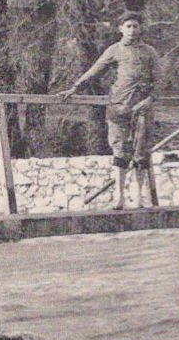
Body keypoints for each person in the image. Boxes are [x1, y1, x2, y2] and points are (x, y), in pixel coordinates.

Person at [62, 11, 161, 209]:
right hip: (119, 107)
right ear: (120, 29)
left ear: (140, 28)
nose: (132, 30)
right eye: (128, 26)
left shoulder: (149, 52)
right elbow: (95, 71)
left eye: (136, 26)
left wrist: (151, 98)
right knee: (120, 151)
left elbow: (159, 80)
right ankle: (120, 197)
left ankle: (139, 197)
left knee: (141, 152)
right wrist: (75, 87)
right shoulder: (114, 50)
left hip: (142, 108)